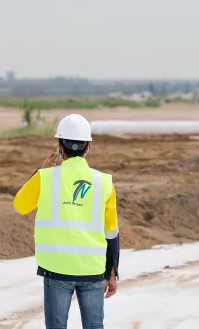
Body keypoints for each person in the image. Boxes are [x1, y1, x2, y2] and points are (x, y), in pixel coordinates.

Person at [13, 114, 119, 329]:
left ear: (59, 146)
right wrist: (112, 271)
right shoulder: (104, 182)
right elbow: (111, 232)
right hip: (93, 269)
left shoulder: (46, 178)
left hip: (56, 268)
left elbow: (20, 205)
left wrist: (40, 171)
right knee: (94, 326)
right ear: (88, 147)